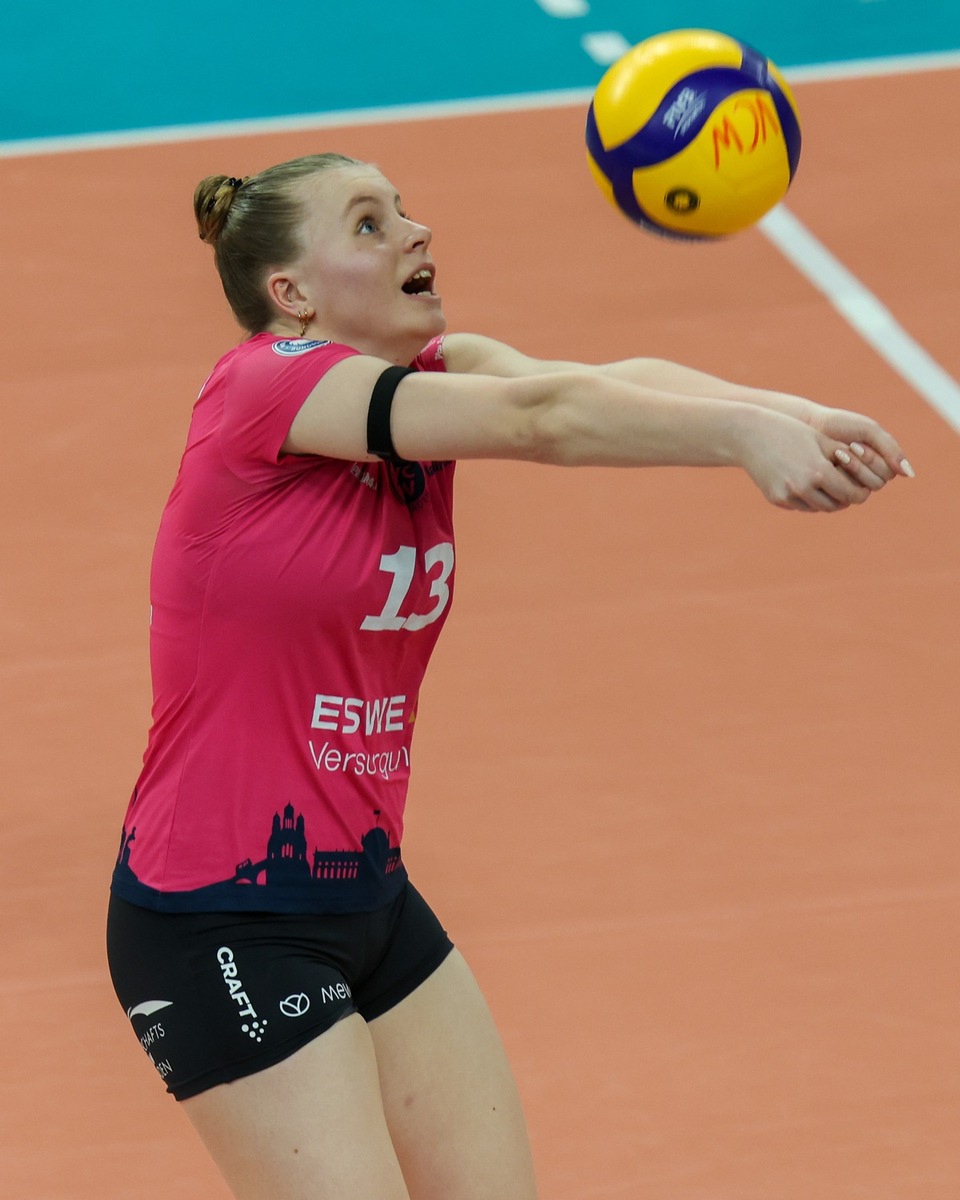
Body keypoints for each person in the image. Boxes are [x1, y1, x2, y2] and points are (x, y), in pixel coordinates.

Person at [106, 150, 913, 1200]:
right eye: (368, 224)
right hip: (222, 919)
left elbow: (599, 382)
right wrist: (741, 438)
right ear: (291, 295)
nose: (415, 232)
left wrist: (789, 413)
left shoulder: (431, 379)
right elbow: (543, 421)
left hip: (371, 897)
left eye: (404, 209)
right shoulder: (264, 386)